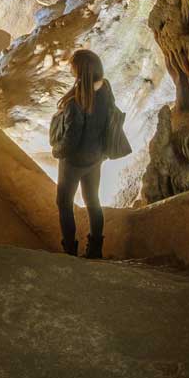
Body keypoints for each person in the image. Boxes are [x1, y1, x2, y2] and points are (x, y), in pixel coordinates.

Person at [52, 48, 117, 259]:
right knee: (93, 201)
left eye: (73, 66)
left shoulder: (76, 102)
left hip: (73, 163)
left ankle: (70, 251)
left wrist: (56, 150)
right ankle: (95, 249)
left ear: (80, 71)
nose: (70, 68)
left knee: (64, 203)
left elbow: (70, 139)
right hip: (95, 159)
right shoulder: (106, 90)